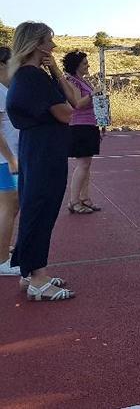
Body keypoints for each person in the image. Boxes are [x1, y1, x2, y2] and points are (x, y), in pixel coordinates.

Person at [7, 22, 79, 301]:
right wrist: (54, 75)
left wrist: (56, 71)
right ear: (37, 44)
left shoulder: (29, 75)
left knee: (35, 207)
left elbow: (70, 104)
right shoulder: (31, 77)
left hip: (37, 149)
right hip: (44, 152)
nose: (54, 46)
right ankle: (37, 278)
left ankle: (31, 272)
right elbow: (66, 113)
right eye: (50, 40)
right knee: (41, 209)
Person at [62, 51, 102, 214]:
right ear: (76, 65)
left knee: (86, 165)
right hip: (79, 126)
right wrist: (93, 94)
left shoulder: (83, 81)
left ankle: (84, 198)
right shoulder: (72, 81)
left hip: (90, 124)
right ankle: (73, 201)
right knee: (82, 164)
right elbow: (77, 104)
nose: (88, 65)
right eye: (85, 63)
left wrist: (102, 121)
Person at [0, 47, 21, 276]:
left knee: (10, 206)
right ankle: (2, 260)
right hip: (5, 161)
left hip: (8, 160)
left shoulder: (6, 89)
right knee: (9, 206)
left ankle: (2, 247)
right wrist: (11, 159)